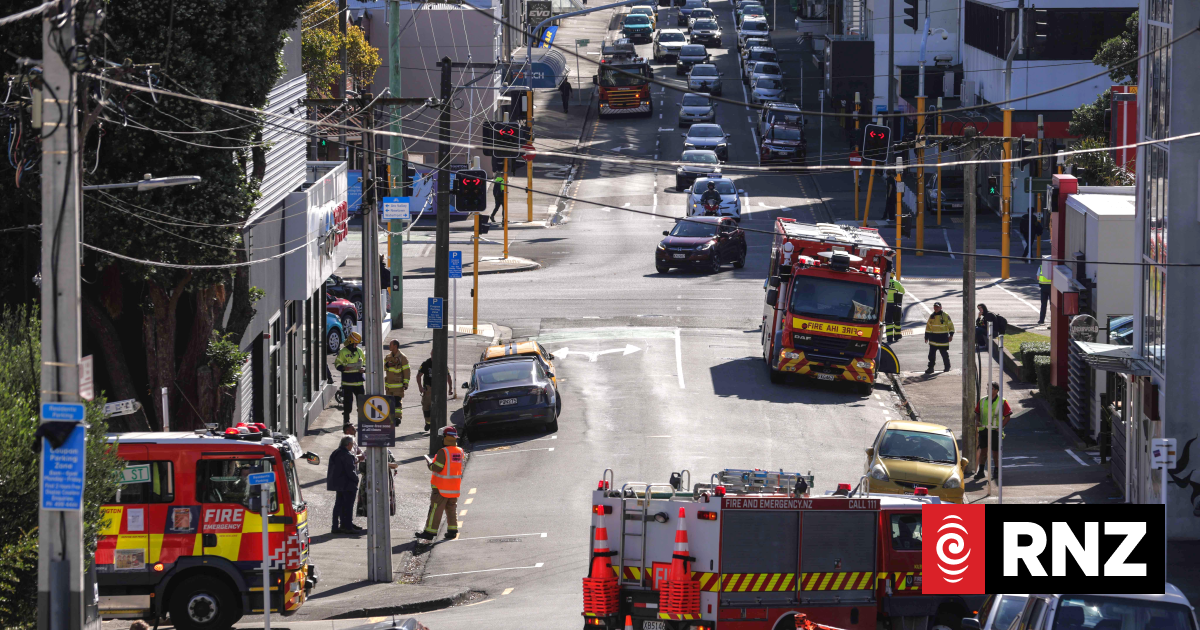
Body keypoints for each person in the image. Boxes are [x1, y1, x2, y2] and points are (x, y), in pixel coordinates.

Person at [416, 426, 464, 541]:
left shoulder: (443, 452)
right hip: (454, 487)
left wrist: (430, 465)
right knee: (451, 508)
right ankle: (452, 531)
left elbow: (437, 468)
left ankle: (429, 533)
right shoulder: (460, 451)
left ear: (446, 438)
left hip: (441, 488)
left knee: (435, 510)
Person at [973, 382, 1011, 479]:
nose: (988, 389)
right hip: (983, 429)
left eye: (991, 388)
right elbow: (977, 412)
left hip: (995, 430)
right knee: (983, 451)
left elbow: (1007, 416)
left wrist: (1000, 427)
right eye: (987, 387)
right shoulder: (982, 400)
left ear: (996, 390)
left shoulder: (1002, 401)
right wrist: (977, 421)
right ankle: (981, 471)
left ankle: (997, 471)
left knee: (995, 452)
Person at [327, 435, 364, 534]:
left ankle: (337, 526)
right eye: (352, 444)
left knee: (339, 505)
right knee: (348, 506)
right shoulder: (347, 455)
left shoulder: (336, 452)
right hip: (347, 484)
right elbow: (350, 471)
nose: (353, 446)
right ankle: (347, 526)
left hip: (338, 484)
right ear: (348, 444)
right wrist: (356, 479)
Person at [417, 355, 456, 432]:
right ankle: (428, 423)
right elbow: (418, 376)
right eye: (432, 355)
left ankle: (437, 427)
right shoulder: (426, 363)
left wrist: (450, 388)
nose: (433, 357)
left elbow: (448, 376)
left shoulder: (442, 364)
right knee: (426, 408)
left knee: (438, 409)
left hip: (439, 390)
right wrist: (420, 387)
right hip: (428, 390)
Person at [335, 331, 366, 427]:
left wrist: (363, 368)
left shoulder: (359, 351)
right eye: (355, 343)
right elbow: (337, 364)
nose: (356, 345)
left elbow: (364, 363)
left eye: (357, 344)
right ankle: (346, 422)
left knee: (361, 404)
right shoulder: (343, 352)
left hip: (358, 382)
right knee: (348, 405)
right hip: (347, 383)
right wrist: (344, 368)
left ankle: (362, 421)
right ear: (351, 342)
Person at [384, 340, 411, 426]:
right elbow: (383, 367)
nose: (389, 346)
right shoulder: (388, 357)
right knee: (390, 403)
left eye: (390, 345)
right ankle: (391, 418)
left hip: (398, 385)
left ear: (395, 346)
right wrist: (387, 365)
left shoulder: (402, 358)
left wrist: (406, 383)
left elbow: (407, 371)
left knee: (397, 402)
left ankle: (397, 418)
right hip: (389, 385)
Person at [923, 301, 954, 374]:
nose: (936, 308)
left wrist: (951, 335)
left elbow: (951, 326)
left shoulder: (945, 315)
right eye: (935, 307)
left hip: (943, 338)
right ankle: (930, 368)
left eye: (937, 307)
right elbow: (928, 327)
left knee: (944, 354)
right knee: (931, 355)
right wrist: (926, 337)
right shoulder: (932, 316)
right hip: (933, 339)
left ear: (941, 307)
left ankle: (947, 367)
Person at [884, 273, 905, 343]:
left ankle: (889, 338)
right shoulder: (897, 283)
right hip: (895, 304)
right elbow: (903, 291)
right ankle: (897, 335)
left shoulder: (884, 282)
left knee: (888, 322)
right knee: (897, 321)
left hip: (886, 305)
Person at [1037, 259, 1052, 324]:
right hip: (1052, 288)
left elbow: (1038, 277)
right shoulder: (1053, 267)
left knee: (1043, 305)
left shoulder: (1041, 267)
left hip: (1043, 287)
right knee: (1052, 305)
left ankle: (1041, 320)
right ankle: (1053, 320)